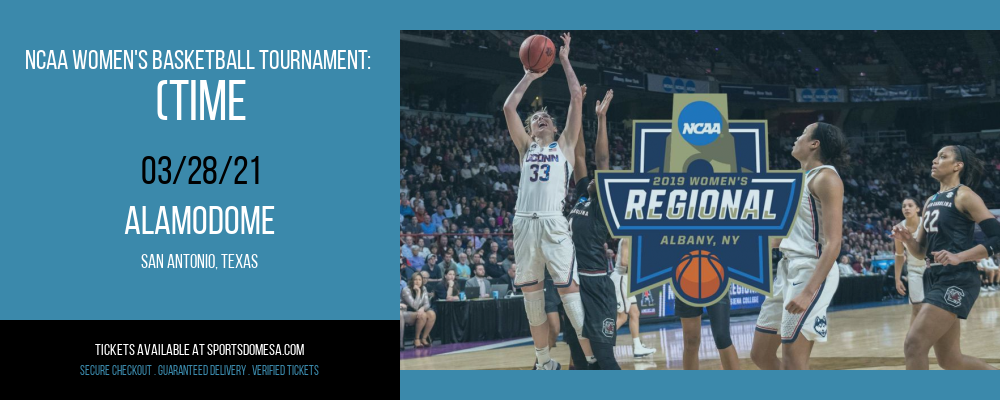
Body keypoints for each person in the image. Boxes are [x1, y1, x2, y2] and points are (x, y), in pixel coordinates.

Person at [504, 32, 586, 371]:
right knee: (533, 301)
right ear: (531, 129)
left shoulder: (564, 146)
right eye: (537, 119)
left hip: (553, 221)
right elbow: (509, 106)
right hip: (524, 221)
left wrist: (565, 60)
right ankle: (543, 363)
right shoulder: (526, 148)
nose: (542, 119)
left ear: (553, 128)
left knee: (570, 294)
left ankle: (593, 358)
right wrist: (529, 75)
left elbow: (576, 100)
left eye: (546, 118)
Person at [751, 122, 847, 370]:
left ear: (815, 144)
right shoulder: (798, 180)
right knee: (760, 354)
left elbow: (834, 242)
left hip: (811, 270)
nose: (797, 137)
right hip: (786, 269)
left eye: (803, 134)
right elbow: (782, 238)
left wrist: (808, 292)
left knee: (794, 360)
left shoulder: (826, 177)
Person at [893, 145, 999, 370]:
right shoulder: (931, 200)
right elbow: (921, 252)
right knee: (950, 360)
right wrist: (908, 240)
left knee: (914, 344)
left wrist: (960, 256)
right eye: (936, 156)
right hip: (933, 276)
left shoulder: (965, 195)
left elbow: (997, 238)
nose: (935, 160)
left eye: (943, 157)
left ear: (957, 166)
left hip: (957, 278)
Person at [564, 88, 621, 369]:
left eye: (599, 179)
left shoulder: (603, 206)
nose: (591, 177)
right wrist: (577, 107)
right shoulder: (583, 197)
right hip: (574, 284)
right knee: (578, 357)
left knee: (604, 357)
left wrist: (601, 119)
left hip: (596, 284)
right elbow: (579, 154)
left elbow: (601, 160)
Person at [611, 237, 656, 358]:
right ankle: (601, 344)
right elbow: (624, 262)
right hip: (621, 278)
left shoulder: (632, 239)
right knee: (622, 317)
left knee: (635, 313)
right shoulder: (627, 239)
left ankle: (637, 347)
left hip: (626, 279)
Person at [893, 197, 926, 323]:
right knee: (917, 308)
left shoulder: (926, 223)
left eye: (910, 205)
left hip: (932, 267)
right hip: (914, 270)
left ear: (917, 209)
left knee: (935, 307)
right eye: (903, 206)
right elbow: (899, 255)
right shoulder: (899, 228)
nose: (906, 208)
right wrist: (897, 279)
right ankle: (914, 340)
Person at [401, 274, 436, 348]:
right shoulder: (406, 290)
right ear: (412, 281)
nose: (418, 282)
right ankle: (416, 339)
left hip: (419, 311)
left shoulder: (424, 288)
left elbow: (427, 304)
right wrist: (418, 292)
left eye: (420, 280)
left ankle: (423, 338)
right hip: (406, 313)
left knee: (432, 314)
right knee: (423, 315)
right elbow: (414, 306)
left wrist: (422, 308)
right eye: (415, 279)